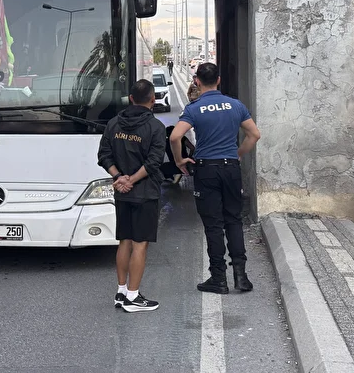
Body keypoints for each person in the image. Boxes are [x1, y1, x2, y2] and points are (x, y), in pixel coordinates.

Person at [169, 62, 261, 295]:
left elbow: (175, 137)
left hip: (207, 170)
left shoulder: (194, 108)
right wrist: (238, 154)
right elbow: (254, 134)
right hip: (231, 168)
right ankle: (241, 277)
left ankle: (218, 278)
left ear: (197, 81)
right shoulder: (235, 105)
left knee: (213, 224)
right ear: (218, 80)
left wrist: (179, 161)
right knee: (234, 220)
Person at [97, 79, 166, 312]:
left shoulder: (114, 123)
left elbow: (104, 155)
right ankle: (134, 297)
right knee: (140, 245)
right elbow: (154, 162)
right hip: (145, 193)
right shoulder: (156, 127)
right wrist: (132, 180)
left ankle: (121, 291)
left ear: (131, 99)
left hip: (122, 194)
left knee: (124, 241)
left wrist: (119, 178)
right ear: (152, 100)